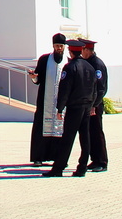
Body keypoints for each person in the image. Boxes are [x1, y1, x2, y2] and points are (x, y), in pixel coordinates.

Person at [46, 39, 97, 178]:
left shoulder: (69, 67)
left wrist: (60, 108)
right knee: (85, 138)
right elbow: (95, 88)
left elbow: (65, 89)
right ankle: (82, 168)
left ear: (70, 51)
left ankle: (58, 168)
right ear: (80, 51)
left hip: (74, 107)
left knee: (67, 138)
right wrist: (92, 105)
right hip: (86, 106)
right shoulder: (89, 67)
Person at [27, 33, 70, 165]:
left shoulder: (68, 61)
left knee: (60, 130)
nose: (59, 49)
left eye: (61, 46)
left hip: (61, 103)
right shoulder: (45, 60)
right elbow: (38, 79)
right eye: (57, 46)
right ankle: (38, 158)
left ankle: (58, 158)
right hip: (44, 101)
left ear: (64, 47)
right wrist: (34, 77)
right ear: (53, 46)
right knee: (41, 128)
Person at [75, 39, 109, 174]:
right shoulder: (88, 62)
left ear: (87, 50)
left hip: (96, 104)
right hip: (88, 104)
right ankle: (94, 159)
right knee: (90, 133)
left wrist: (95, 105)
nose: (82, 53)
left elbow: (101, 88)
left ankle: (102, 161)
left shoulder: (97, 64)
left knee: (97, 132)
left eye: (83, 50)